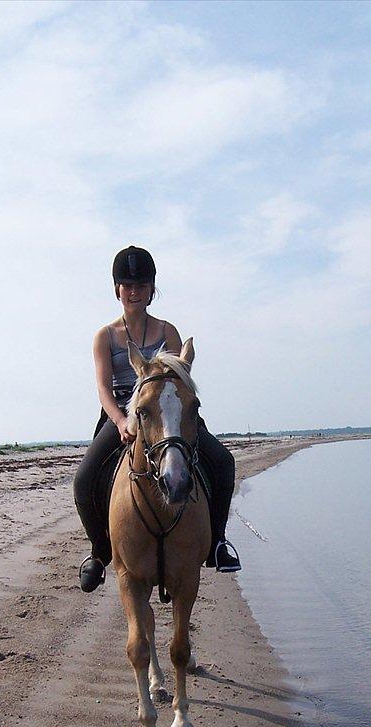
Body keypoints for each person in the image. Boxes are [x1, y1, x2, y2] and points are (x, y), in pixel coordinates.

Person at [73, 245, 241, 593]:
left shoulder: (168, 331)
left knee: (222, 462)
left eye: (141, 285)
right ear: (117, 289)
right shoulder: (105, 336)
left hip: (171, 414)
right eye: (127, 285)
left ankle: (218, 543)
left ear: (152, 290)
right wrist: (120, 421)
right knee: (84, 479)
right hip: (124, 414)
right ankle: (99, 552)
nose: (134, 291)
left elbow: (182, 379)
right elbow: (104, 388)